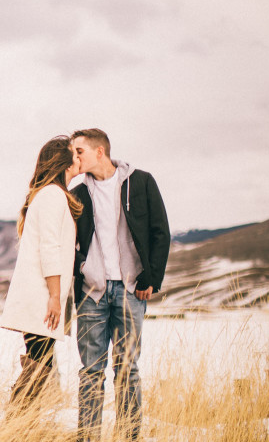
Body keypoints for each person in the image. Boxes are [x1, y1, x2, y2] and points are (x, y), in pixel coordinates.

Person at [70, 128, 170, 441]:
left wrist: (150, 277)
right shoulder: (78, 193)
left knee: (127, 369)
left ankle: (129, 437)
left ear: (100, 152)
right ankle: (87, 438)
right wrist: (80, 273)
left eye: (79, 152)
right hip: (92, 294)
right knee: (90, 372)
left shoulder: (140, 182)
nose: (74, 158)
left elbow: (160, 232)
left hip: (130, 290)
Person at [1, 135, 83, 416]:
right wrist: (55, 296)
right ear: (63, 160)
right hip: (40, 295)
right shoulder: (52, 195)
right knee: (39, 362)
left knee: (40, 361)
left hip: (39, 294)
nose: (79, 157)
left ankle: (19, 423)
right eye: (75, 153)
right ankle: (14, 423)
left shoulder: (50, 194)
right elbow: (50, 247)